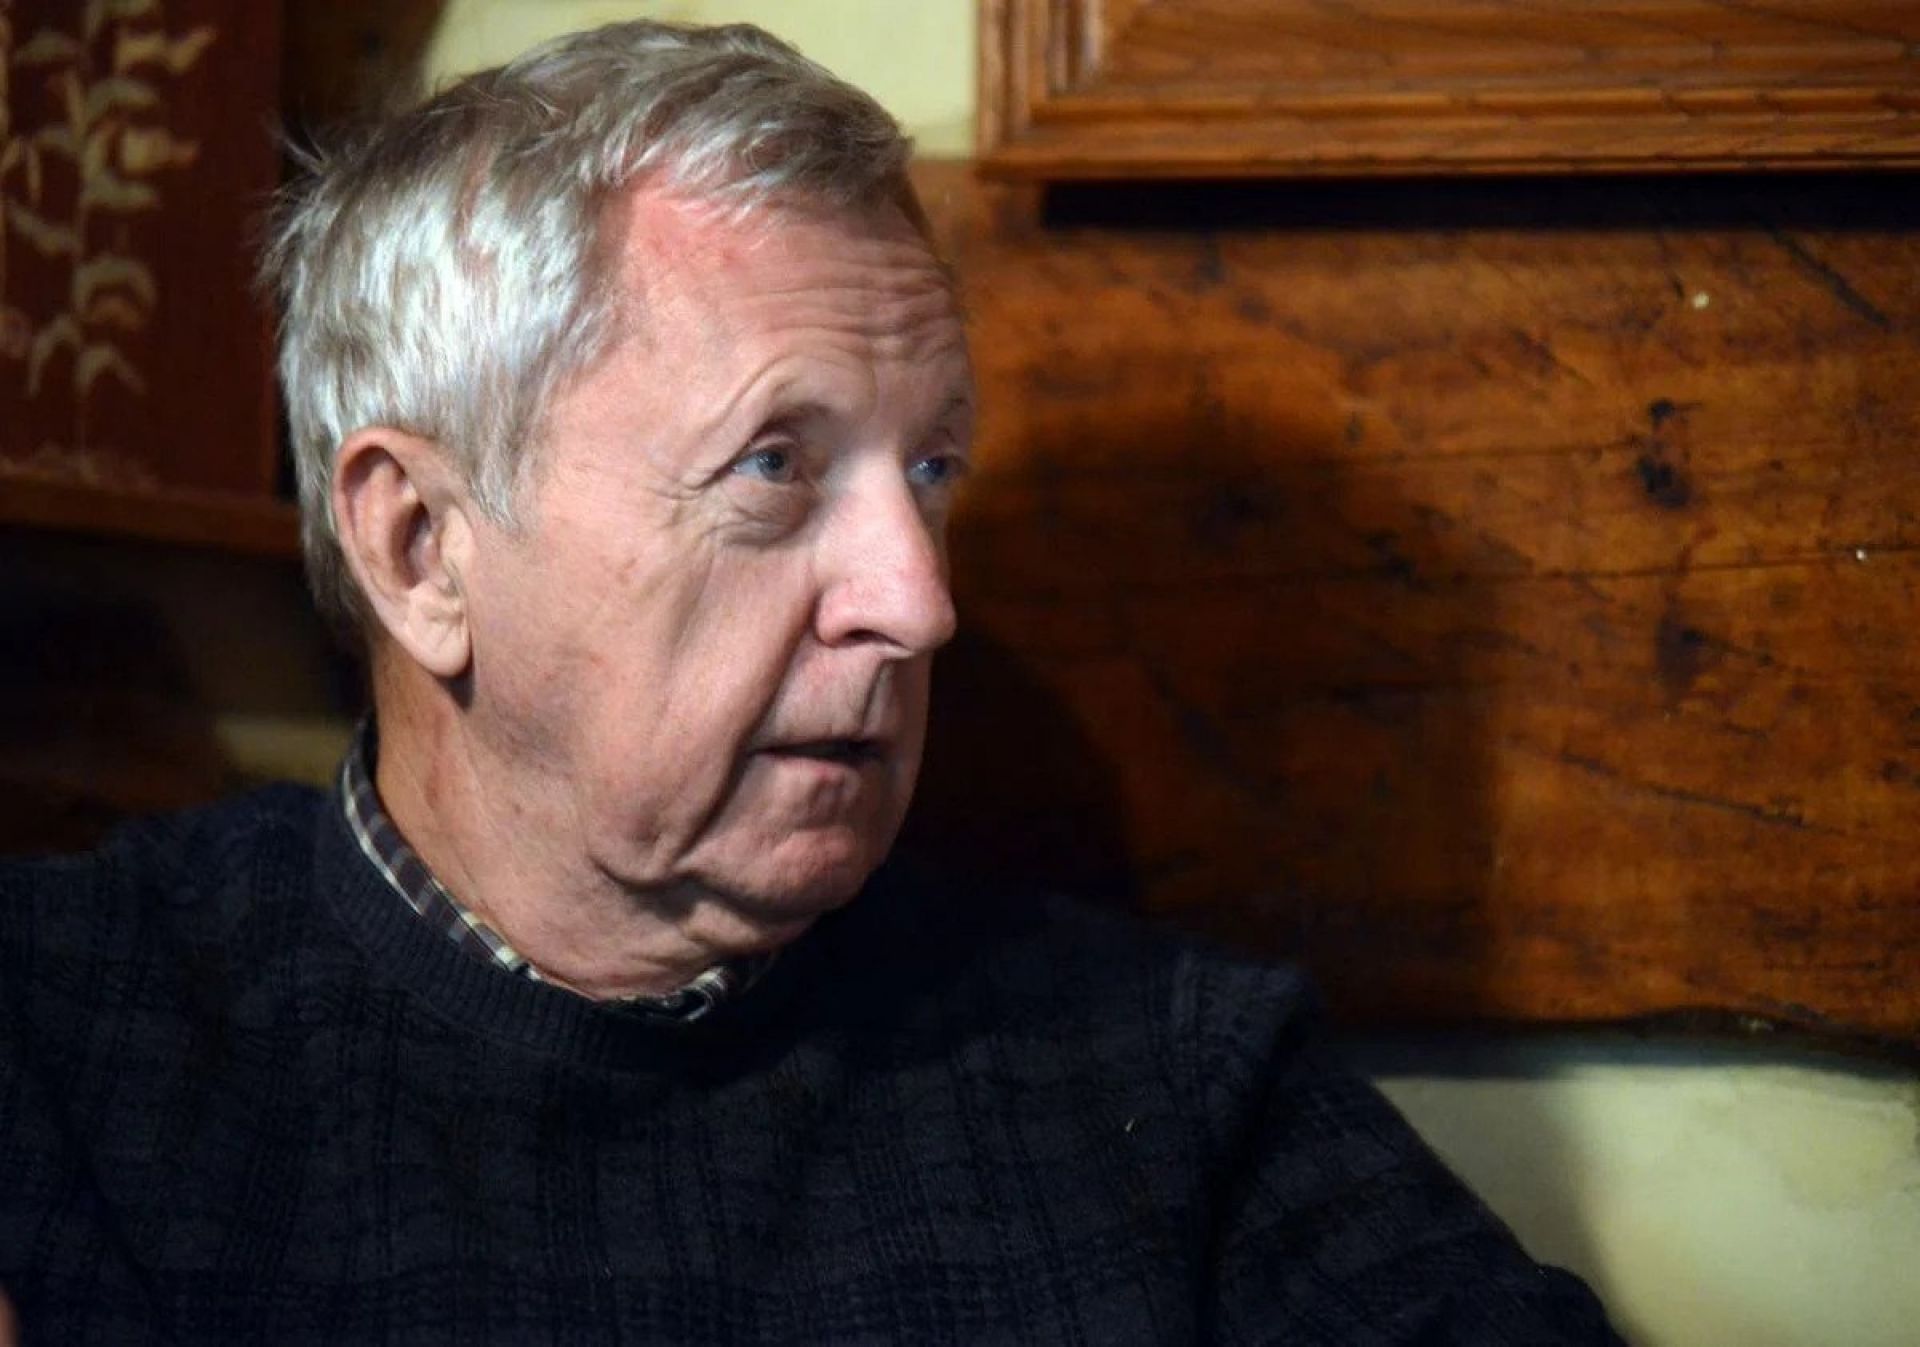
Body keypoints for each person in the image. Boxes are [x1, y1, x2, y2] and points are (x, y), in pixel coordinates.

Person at [0, 20, 1620, 1343]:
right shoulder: (68, 1041)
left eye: (929, 472)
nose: (918, 605)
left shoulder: (1171, 1078)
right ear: (422, 547)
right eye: (774, 464)